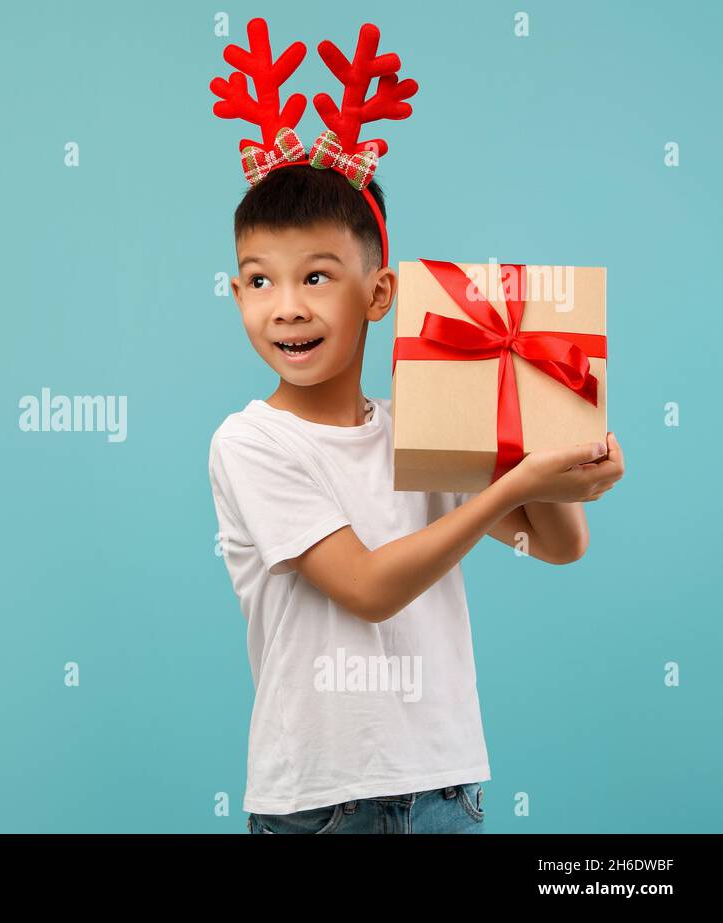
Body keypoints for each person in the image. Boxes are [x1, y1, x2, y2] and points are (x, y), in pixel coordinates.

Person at [207, 20, 625, 833]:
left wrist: (558, 446)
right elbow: (368, 588)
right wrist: (520, 480)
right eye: (260, 280)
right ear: (236, 293)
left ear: (379, 293)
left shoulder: (424, 423)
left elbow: (559, 542)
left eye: (317, 276)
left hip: (445, 788)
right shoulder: (251, 441)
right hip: (318, 802)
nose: (286, 304)